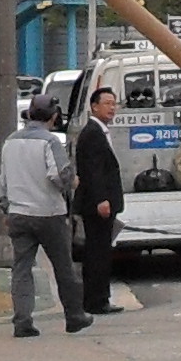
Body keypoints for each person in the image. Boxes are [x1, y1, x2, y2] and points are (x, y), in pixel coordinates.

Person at [0, 96, 88, 340]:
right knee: (63, 267)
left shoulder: (10, 142)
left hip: (19, 214)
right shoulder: (50, 142)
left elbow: (2, 182)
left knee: (22, 269)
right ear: (54, 117)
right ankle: (74, 316)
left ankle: (22, 321)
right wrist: (71, 183)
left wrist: (6, 208)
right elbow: (57, 174)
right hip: (49, 213)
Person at [75, 84, 127, 315]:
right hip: (97, 205)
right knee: (97, 253)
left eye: (114, 103)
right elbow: (93, 171)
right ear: (94, 107)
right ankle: (96, 300)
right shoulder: (92, 134)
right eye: (107, 103)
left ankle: (97, 298)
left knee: (101, 251)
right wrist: (101, 199)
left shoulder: (100, 131)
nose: (111, 108)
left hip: (101, 202)